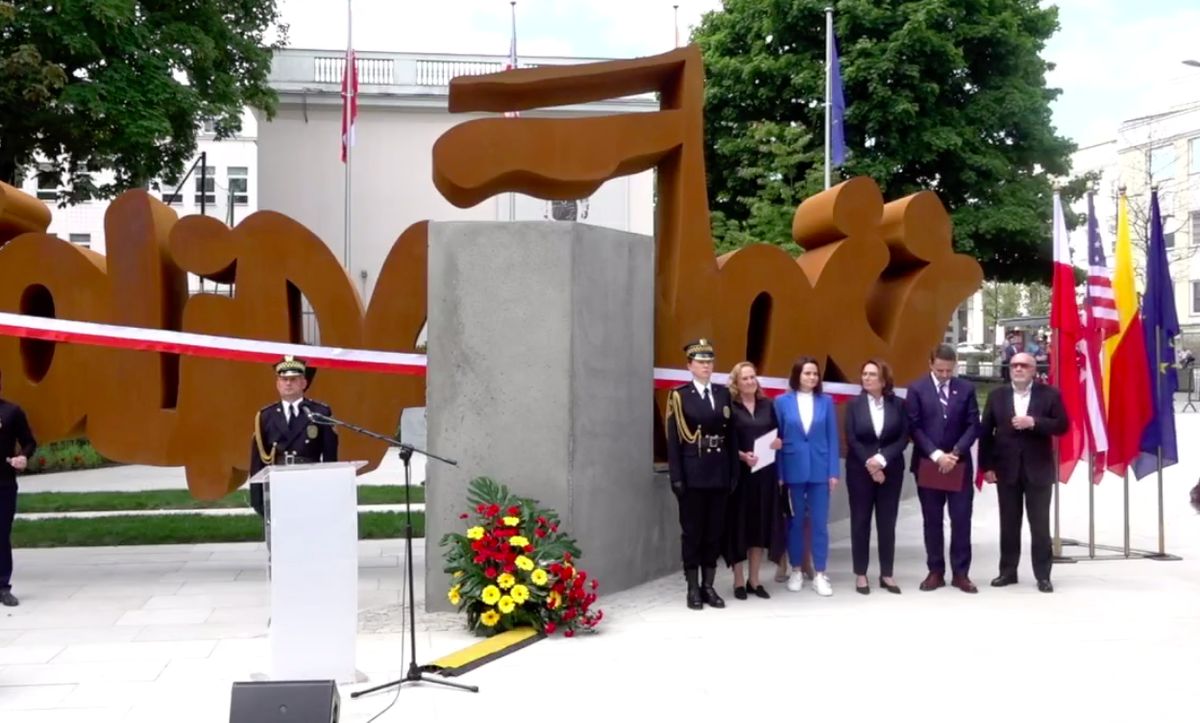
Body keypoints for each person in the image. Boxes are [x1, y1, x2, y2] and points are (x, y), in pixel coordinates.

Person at [980, 352, 1068, 593]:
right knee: (1009, 524)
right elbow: (986, 432)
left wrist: (1034, 422)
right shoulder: (997, 395)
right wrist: (986, 466)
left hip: (1038, 470)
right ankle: (1008, 572)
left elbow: (1062, 425)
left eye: (1024, 365)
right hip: (1006, 470)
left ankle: (1043, 575)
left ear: (1033, 370)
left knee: (1039, 525)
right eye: (1015, 365)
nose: (1018, 369)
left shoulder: (1049, 394)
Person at [665, 339, 737, 610]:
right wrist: (677, 477)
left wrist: (732, 472)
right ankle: (693, 588)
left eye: (709, 362)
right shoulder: (680, 396)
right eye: (700, 362)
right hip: (693, 472)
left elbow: (731, 436)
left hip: (718, 471)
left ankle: (709, 585)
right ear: (689, 366)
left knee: (714, 532)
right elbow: (674, 440)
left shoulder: (722, 394)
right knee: (693, 532)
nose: (706, 366)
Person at [905, 344, 981, 593]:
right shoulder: (917, 389)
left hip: (958, 464)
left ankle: (961, 573)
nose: (945, 375)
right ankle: (935, 571)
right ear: (930, 364)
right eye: (940, 370)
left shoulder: (966, 388)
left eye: (949, 370)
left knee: (961, 520)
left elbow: (973, 424)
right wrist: (937, 455)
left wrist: (956, 452)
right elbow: (914, 427)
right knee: (932, 520)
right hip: (929, 464)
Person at [774, 356, 839, 597]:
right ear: (797, 376)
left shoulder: (826, 402)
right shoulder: (781, 402)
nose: (812, 377)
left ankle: (820, 573)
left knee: (820, 523)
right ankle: (796, 569)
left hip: (820, 470)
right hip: (792, 469)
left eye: (815, 373)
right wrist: (780, 473)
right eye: (807, 373)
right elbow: (777, 440)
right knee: (795, 522)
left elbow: (833, 437)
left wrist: (833, 471)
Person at [844, 359, 909, 595]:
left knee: (887, 522)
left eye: (872, 374)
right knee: (860, 521)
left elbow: (903, 437)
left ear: (883, 380)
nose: (867, 378)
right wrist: (871, 465)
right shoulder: (854, 405)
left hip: (891, 470)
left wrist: (882, 461)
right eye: (864, 374)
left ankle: (887, 573)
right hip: (860, 470)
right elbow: (852, 438)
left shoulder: (899, 405)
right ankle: (861, 574)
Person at [723, 361, 785, 600]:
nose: (750, 382)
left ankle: (754, 580)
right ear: (736, 383)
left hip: (764, 474)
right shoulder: (730, 406)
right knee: (739, 526)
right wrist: (741, 455)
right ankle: (738, 580)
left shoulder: (768, 405)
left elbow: (778, 434)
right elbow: (725, 440)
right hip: (740, 476)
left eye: (753, 377)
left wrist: (778, 443)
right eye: (745, 378)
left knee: (759, 526)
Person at [248, 355, 339, 517]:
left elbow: (330, 455)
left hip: (310, 482)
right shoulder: (265, 416)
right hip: (278, 483)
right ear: (277, 384)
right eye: (284, 379)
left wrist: (328, 489)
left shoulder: (319, 413)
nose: (288, 383)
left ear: (303, 383)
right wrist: (257, 497)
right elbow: (257, 461)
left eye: (293, 379)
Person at [1, 372, 37, 607]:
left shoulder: (11, 412)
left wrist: (23, 456)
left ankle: (3, 585)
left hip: (3, 483)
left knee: (1, 534)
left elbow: (29, 441)